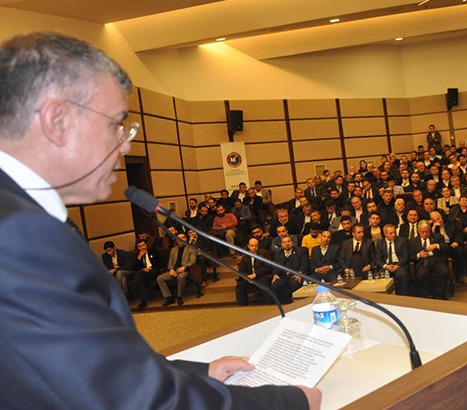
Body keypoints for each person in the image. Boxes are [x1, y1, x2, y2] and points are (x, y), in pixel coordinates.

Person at [0, 33, 318, 408]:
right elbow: (128, 399)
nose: (126, 145)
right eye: (116, 124)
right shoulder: (21, 234)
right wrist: (287, 403)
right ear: (57, 121)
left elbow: (80, 368)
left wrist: (200, 373)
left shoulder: (18, 216)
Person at [157, 231, 197, 306]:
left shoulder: (191, 248)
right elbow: (170, 262)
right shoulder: (173, 249)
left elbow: (193, 261)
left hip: (184, 269)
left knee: (181, 277)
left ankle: (179, 297)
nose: (180, 239)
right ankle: (169, 297)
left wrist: (184, 267)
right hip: (174, 270)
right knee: (160, 278)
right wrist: (171, 269)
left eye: (183, 237)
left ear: (186, 238)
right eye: (179, 238)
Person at [235, 237, 274, 306]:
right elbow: (241, 270)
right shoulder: (245, 256)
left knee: (265, 286)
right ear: (248, 246)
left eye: (256, 246)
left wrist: (255, 275)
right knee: (239, 287)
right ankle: (243, 307)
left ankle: (269, 306)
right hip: (249, 278)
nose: (254, 248)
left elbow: (268, 267)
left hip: (261, 277)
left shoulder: (264, 254)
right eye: (252, 246)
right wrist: (247, 277)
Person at [374, 224, 411, 295]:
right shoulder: (380, 243)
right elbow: (378, 259)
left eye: (394, 232)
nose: (394, 235)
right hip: (386, 265)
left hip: (399, 265)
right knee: (381, 275)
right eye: (391, 233)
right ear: (385, 234)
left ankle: (402, 296)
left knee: (402, 274)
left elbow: (406, 256)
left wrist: (397, 266)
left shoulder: (402, 241)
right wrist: (386, 266)